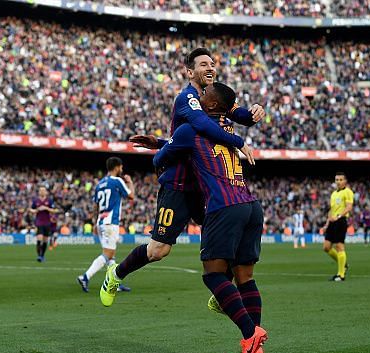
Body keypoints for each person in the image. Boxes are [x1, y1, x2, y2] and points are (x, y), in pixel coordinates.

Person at [100, 47, 264, 306]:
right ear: (190, 72)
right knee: (158, 250)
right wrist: (237, 139)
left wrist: (254, 113)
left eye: (212, 63)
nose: (210, 67)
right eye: (202, 64)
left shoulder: (214, 96)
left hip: (206, 185)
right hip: (179, 184)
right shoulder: (187, 98)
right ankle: (115, 273)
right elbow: (199, 126)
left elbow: (238, 113)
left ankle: (221, 295)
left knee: (226, 237)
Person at [149, 82, 267, 353]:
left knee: (213, 276)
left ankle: (251, 335)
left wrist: (158, 154)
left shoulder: (191, 128)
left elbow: (163, 158)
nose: (198, 97)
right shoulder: (227, 131)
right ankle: (253, 349)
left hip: (223, 207)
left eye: (204, 95)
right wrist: (162, 140)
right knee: (245, 278)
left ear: (212, 105)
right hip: (250, 204)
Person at [77, 157, 134, 292]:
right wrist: (130, 183)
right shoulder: (117, 181)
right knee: (108, 253)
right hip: (110, 222)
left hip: (100, 222)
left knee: (111, 254)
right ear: (116, 167)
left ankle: (114, 283)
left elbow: (95, 205)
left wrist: (94, 223)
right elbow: (131, 196)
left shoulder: (99, 184)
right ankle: (85, 277)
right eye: (121, 167)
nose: (122, 169)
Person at [320, 172, 353, 282]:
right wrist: (327, 224)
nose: (338, 182)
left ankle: (341, 275)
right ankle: (343, 264)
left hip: (341, 221)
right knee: (326, 247)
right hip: (332, 222)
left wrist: (338, 216)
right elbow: (331, 210)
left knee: (339, 246)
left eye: (340, 180)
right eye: (336, 180)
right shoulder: (333, 194)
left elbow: (349, 207)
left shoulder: (347, 192)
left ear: (345, 181)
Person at [29, 186, 58, 262]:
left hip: (47, 223)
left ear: (46, 192)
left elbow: (54, 210)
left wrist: (46, 208)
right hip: (39, 222)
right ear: (39, 192)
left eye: (43, 190)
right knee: (39, 238)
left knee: (45, 240)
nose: (42, 191)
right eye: (40, 190)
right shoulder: (36, 201)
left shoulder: (49, 200)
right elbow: (31, 209)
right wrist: (36, 210)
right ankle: (39, 256)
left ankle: (42, 255)